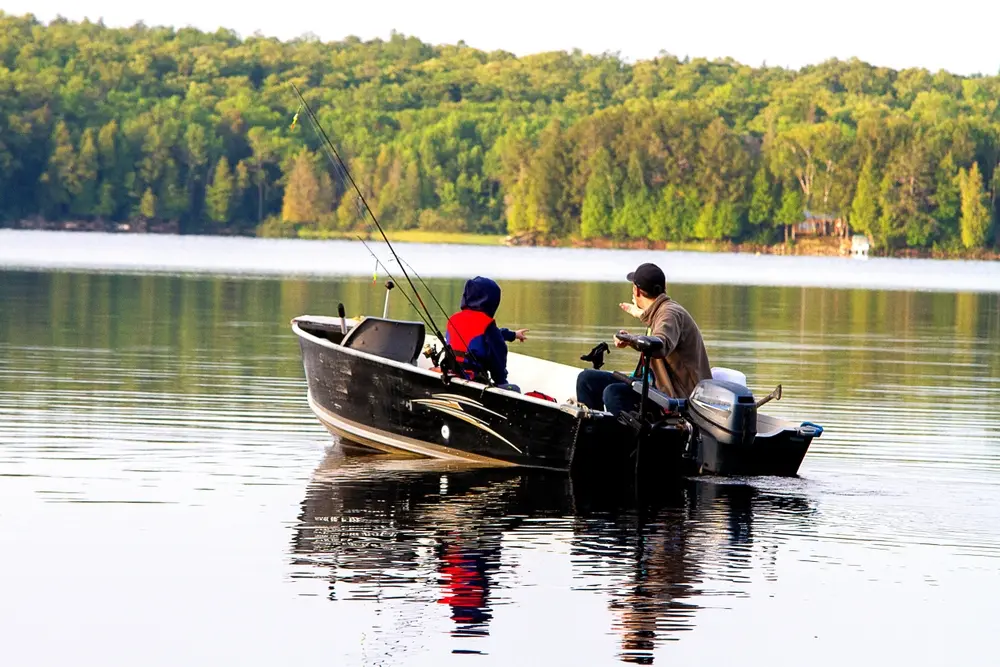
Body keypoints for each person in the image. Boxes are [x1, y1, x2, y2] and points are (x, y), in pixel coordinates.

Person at [576, 262, 712, 415]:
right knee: (587, 379)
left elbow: (660, 345)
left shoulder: (669, 314)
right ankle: (594, 433)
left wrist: (632, 339)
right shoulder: (662, 311)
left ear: (637, 290)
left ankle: (625, 438)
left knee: (614, 394)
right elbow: (655, 329)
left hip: (675, 396)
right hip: (654, 385)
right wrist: (630, 337)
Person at [446, 276, 528, 390]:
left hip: (452, 374)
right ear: (491, 301)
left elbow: (479, 336)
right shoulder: (487, 325)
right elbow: (497, 358)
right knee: (515, 389)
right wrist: (501, 380)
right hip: (474, 381)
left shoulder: (453, 319)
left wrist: (513, 335)